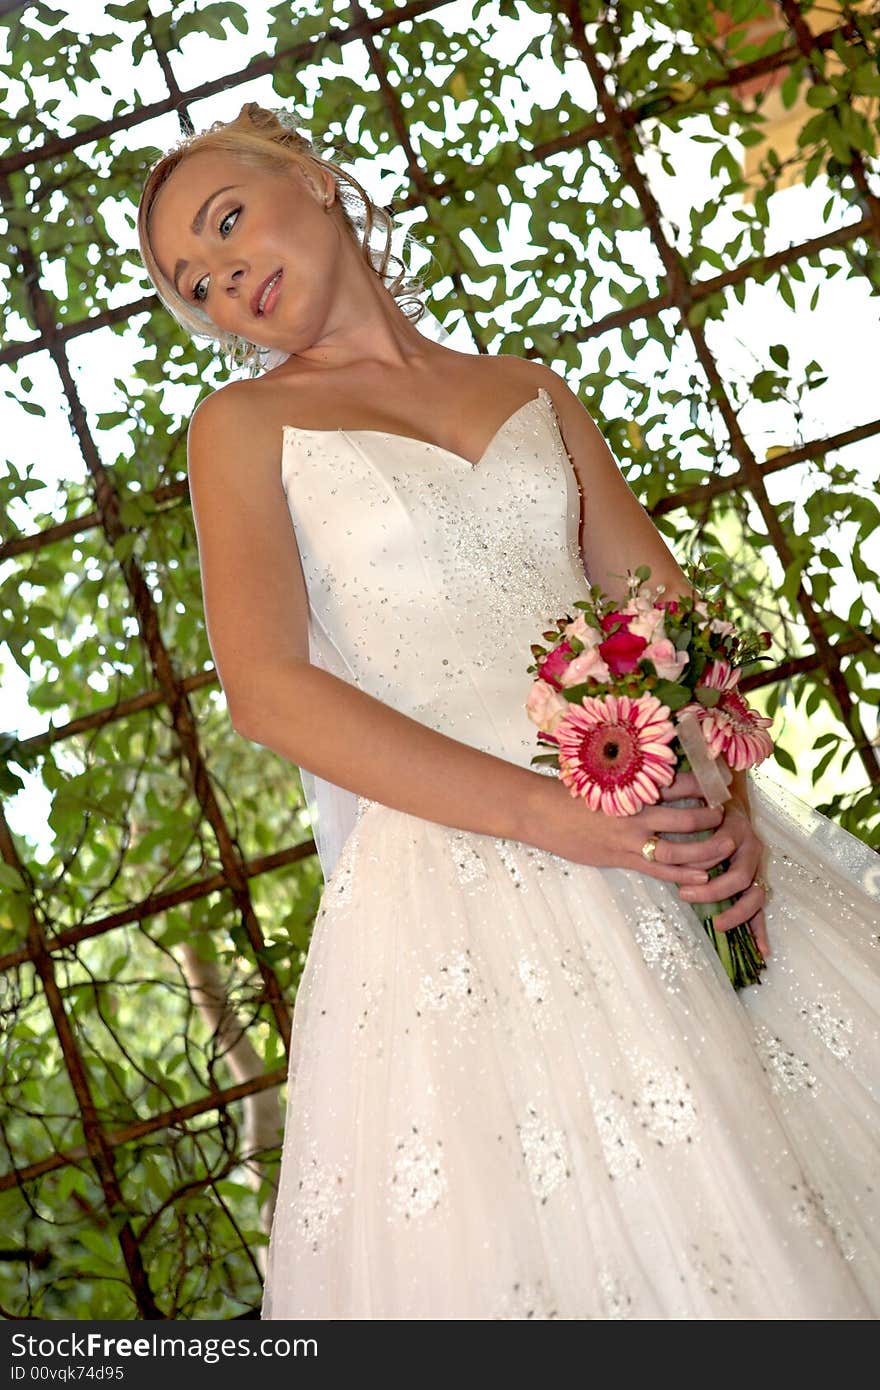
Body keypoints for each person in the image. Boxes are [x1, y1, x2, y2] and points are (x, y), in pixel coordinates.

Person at [139, 101, 880, 1320]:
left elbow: (662, 611)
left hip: (671, 831)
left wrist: (728, 803)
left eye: (228, 224)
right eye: (195, 281)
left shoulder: (532, 390)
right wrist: (552, 820)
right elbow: (268, 692)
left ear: (315, 180)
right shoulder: (240, 428)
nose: (222, 280)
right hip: (468, 878)